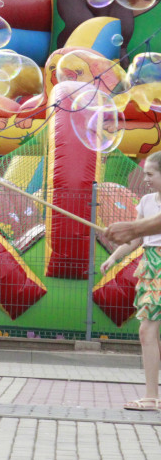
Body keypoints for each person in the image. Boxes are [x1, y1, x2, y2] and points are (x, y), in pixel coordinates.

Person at [100, 151, 161, 411]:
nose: (145, 179)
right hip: (152, 266)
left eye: (150, 174)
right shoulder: (147, 201)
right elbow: (136, 238)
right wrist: (113, 258)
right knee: (147, 330)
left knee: (148, 330)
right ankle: (150, 396)